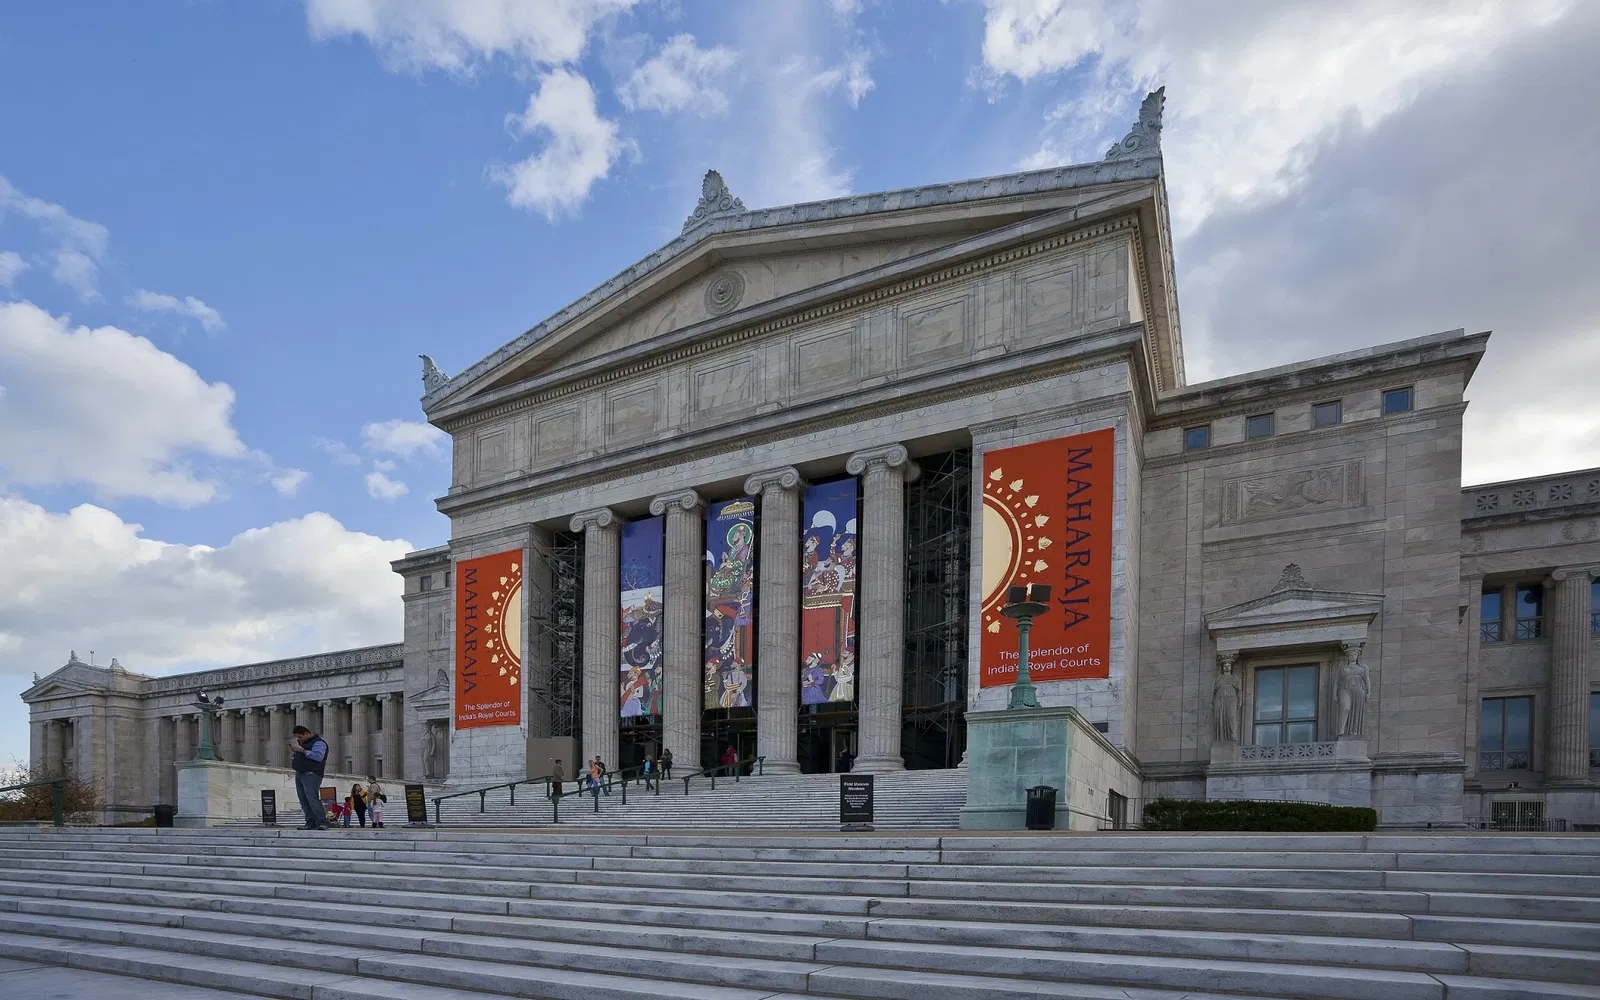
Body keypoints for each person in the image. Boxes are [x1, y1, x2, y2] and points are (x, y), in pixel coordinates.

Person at [289, 725, 330, 830]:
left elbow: (318, 757)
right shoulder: (303, 743)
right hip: (300, 773)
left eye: (300, 737)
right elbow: (295, 756)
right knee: (303, 800)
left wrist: (303, 751)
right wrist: (295, 752)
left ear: (307, 734)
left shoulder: (318, 743)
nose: (299, 739)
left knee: (312, 799)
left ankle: (322, 822)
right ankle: (310, 822)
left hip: (311, 774)